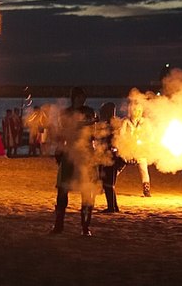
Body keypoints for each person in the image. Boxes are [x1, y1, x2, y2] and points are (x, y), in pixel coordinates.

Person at [50, 87, 98, 236]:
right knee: (62, 190)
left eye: (83, 97)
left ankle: (85, 227)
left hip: (86, 154)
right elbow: (64, 131)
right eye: (79, 97)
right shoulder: (66, 113)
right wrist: (59, 150)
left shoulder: (89, 111)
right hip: (69, 153)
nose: (81, 100)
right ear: (74, 98)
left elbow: (93, 133)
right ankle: (58, 226)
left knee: (87, 190)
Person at [96, 102, 126, 213]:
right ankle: (114, 206)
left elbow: (107, 142)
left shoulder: (109, 126)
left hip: (109, 157)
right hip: (112, 157)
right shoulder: (114, 125)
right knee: (109, 183)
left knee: (108, 183)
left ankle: (111, 207)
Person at [121, 101, 152, 197]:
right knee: (119, 166)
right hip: (128, 148)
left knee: (143, 169)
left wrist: (144, 139)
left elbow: (150, 135)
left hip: (140, 149)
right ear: (130, 110)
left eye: (139, 110)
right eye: (135, 110)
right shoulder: (126, 121)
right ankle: (108, 184)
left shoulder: (144, 122)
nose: (137, 112)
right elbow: (121, 134)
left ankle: (146, 190)